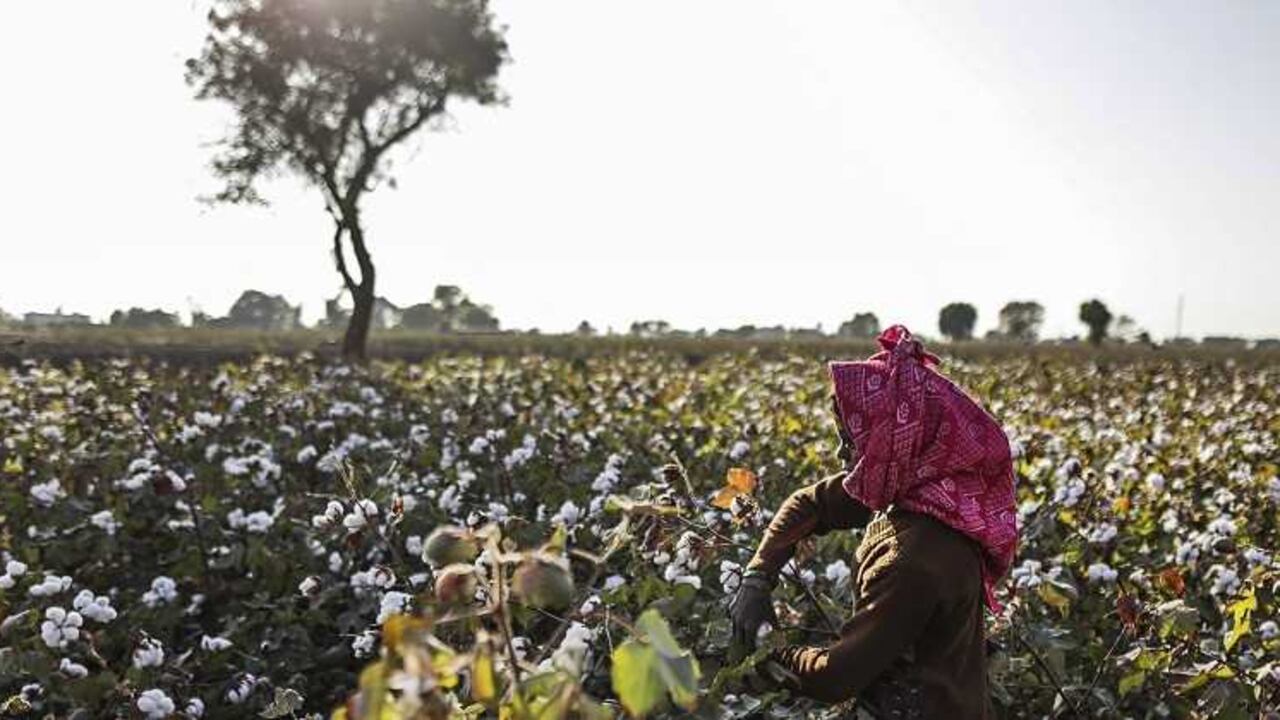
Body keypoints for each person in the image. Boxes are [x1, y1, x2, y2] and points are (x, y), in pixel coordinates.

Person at [730, 325, 1017, 719]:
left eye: (850, 440)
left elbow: (837, 677)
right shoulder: (928, 491)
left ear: (894, 439)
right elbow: (811, 504)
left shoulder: (913, 561)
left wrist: (768, 654)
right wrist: (757, 578)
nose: (839, 453)